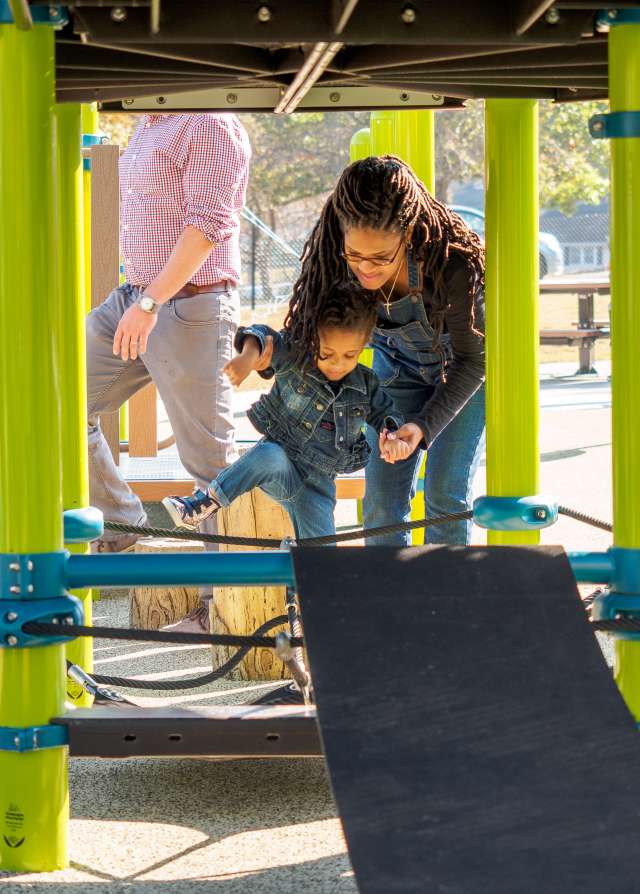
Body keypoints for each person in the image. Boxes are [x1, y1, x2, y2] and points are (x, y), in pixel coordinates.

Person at [86, 112, 251, 632]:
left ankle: (218, 608)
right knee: (56, 400)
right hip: (136, 297)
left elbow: (209, 224)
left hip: (189, 307)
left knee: (210, 463)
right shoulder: (149, 119)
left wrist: (152, 302)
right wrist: (143, 299)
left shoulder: (209, 123)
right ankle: (121, 526)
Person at [281, 155, 486, 546]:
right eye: (355, 256)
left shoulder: (453, 266)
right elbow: (307, 337)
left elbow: (473, 360)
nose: (366, 270)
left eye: (380, 258)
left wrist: (423, 428)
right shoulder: (336, 264)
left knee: (445, 495)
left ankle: (445, 603)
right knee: (380, 502)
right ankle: (389, 601)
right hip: (398, 374)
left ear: (408, 235)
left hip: (464, 376)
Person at [162, 283, 420, 539]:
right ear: (314, 338)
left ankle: (295, 577)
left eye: (349, 355)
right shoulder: (296, 358)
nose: (337, 364)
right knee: (268, 454)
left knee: (320, 562)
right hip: (281, 466)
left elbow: (387, 414)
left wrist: (393, 436)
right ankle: (202, 503)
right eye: (327, 353)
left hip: (318, 486)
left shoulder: (366, 384)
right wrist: (248, 357)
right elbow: (262, 335)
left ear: (364, 344)